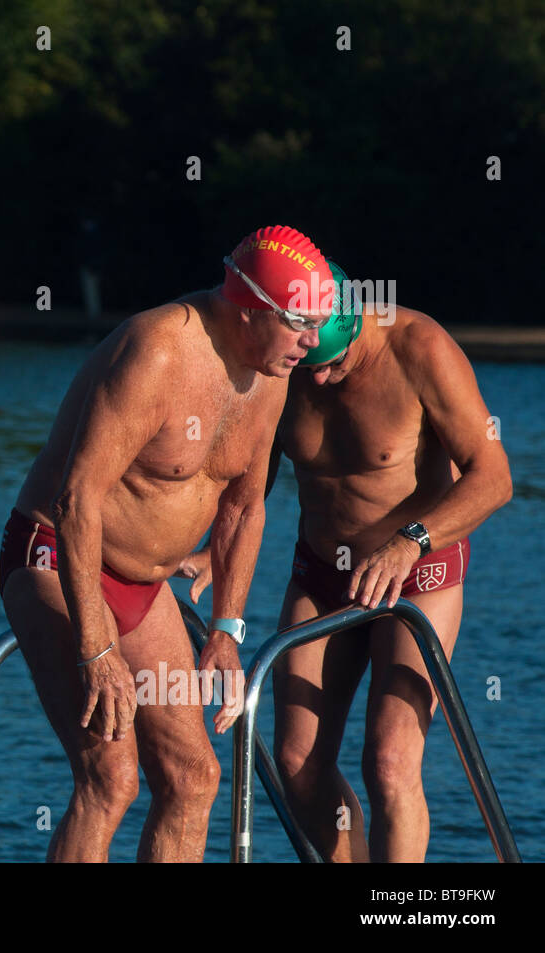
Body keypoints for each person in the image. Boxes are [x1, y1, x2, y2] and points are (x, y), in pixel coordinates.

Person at [1, 225, 332, 862]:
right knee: (110, 779)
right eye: (299, 323)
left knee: (193, 778)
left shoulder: (273, 370)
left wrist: (226, 630)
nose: (312, 342)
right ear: (248, 308)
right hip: (55, 556)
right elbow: (76, 501)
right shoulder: (156, 351)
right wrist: (98, 646)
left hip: (144, 587)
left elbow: (244, 505)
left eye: (318, 323)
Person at [187, 260, 512, 861]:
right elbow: (257, 471)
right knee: (296, 763)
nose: (321, 379)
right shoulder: (287, 362)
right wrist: (216, 548)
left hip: (418, 575)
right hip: (323, 572)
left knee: (389, 761)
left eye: (332, 363)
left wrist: (411, 539)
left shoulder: (421, 347)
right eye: (307, 365)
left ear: (352, 327)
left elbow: (494, 478)